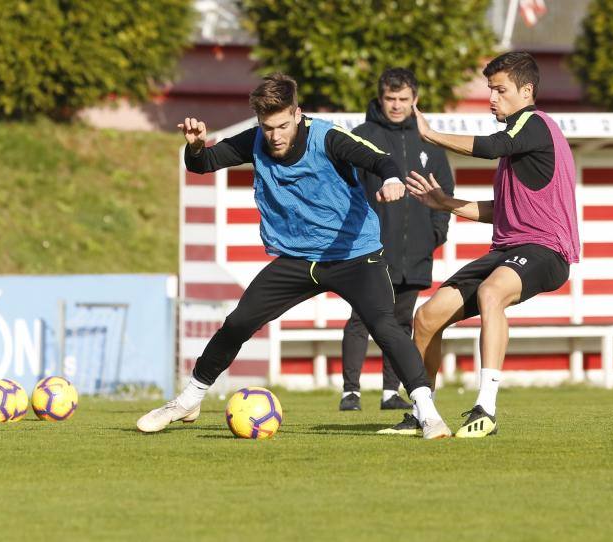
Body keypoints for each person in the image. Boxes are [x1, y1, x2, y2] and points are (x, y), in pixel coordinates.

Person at [137, 73, 451, 439]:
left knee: (385, 325)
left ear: (297, 114)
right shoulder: (256, 141)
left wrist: (392, 180)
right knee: (238, 322)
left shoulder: (327, 137)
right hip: (297, 260)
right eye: (267, 127)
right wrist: (194, 146)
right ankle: (188, 400)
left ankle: (428, 414)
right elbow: (202, 164)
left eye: (283, 125)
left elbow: (380, 160)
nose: (275, 136)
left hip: (353, 254)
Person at [382, 51, 580, 438]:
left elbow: (489, 146)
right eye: (490, 89)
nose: (492, 98)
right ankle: (423, 413)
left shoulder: (534, 124)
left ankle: (485, 409)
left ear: (526, 91)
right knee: (426, 317)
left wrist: (431, 135)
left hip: (546, 250)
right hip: (508, 251)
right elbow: (500, 211)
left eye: (500, 90)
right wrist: (444, 203)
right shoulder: (520, 144)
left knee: (492, 293)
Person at [338, 68, 454, 412]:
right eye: (391, 98)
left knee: (402, 322)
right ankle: (350, 392)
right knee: (361, 317)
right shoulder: (362, 135)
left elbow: (444, 192)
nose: (397, 105)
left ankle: (391, 391)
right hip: (369, 250)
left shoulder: (428, 142)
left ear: (415, 100)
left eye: (404, 99)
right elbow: (346, 190)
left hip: (415, 252)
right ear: (380, 98)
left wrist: (435, 233)